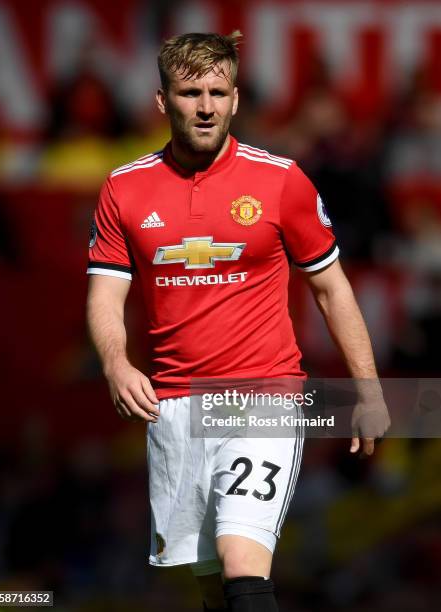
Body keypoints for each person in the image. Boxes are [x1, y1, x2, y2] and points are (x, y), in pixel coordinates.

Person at [86, 31, 390, 612]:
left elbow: (331, 287)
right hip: (174, 406)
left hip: (263, 396)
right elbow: (105, 293)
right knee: (212, 588)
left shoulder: (280, 180)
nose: (205, 107)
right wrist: (115, 362)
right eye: (190, 92)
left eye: (217, 93)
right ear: (162, 101)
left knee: (241, 562)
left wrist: (368, 389)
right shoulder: (123, 189)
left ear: (236, 99)